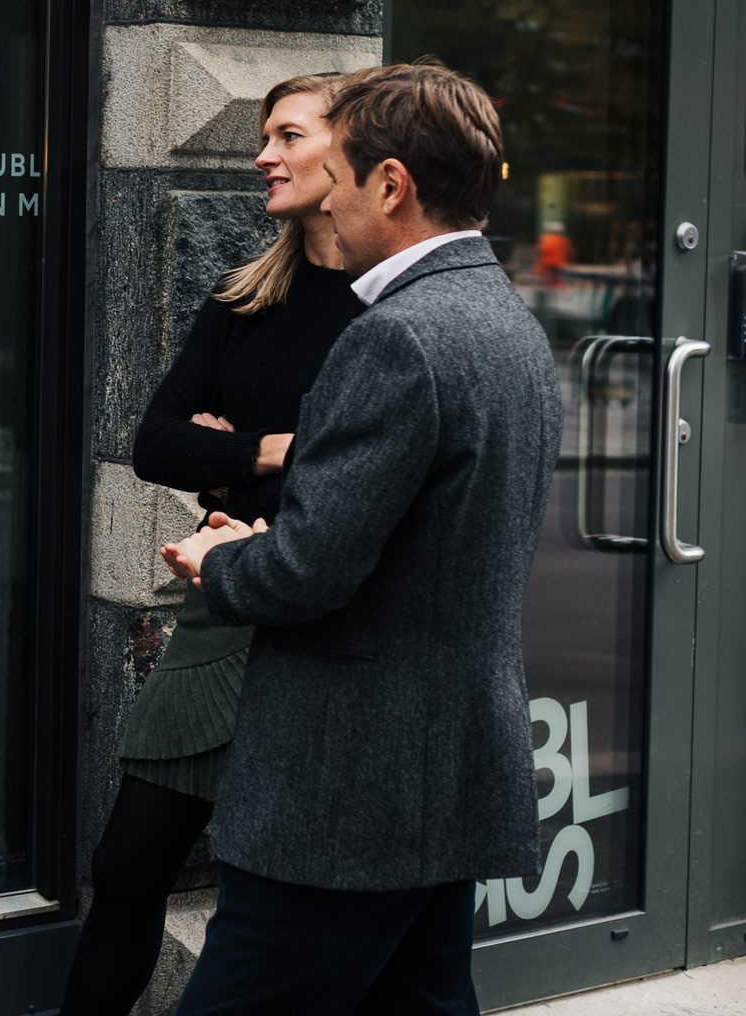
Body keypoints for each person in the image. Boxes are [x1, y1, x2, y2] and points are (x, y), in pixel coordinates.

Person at [160, 61, 562, 1014]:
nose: (322, 200)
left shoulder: (398, 337)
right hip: (442, 774)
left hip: (344, 795)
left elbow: (304, 573)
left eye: (335, 173)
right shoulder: (506, 319)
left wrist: (223, 559)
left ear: (391, 185)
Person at [59, 74, 362, 1014]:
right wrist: (271, 449)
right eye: (262, 135)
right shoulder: (248, 297)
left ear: (350, 151)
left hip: (325, 611)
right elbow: (156, 444)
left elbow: (363, 470)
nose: (262, 155)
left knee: (290, 879)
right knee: (128, 859)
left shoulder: (393, 307)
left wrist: (238, 458)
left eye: (286, 135)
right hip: (222, 605)